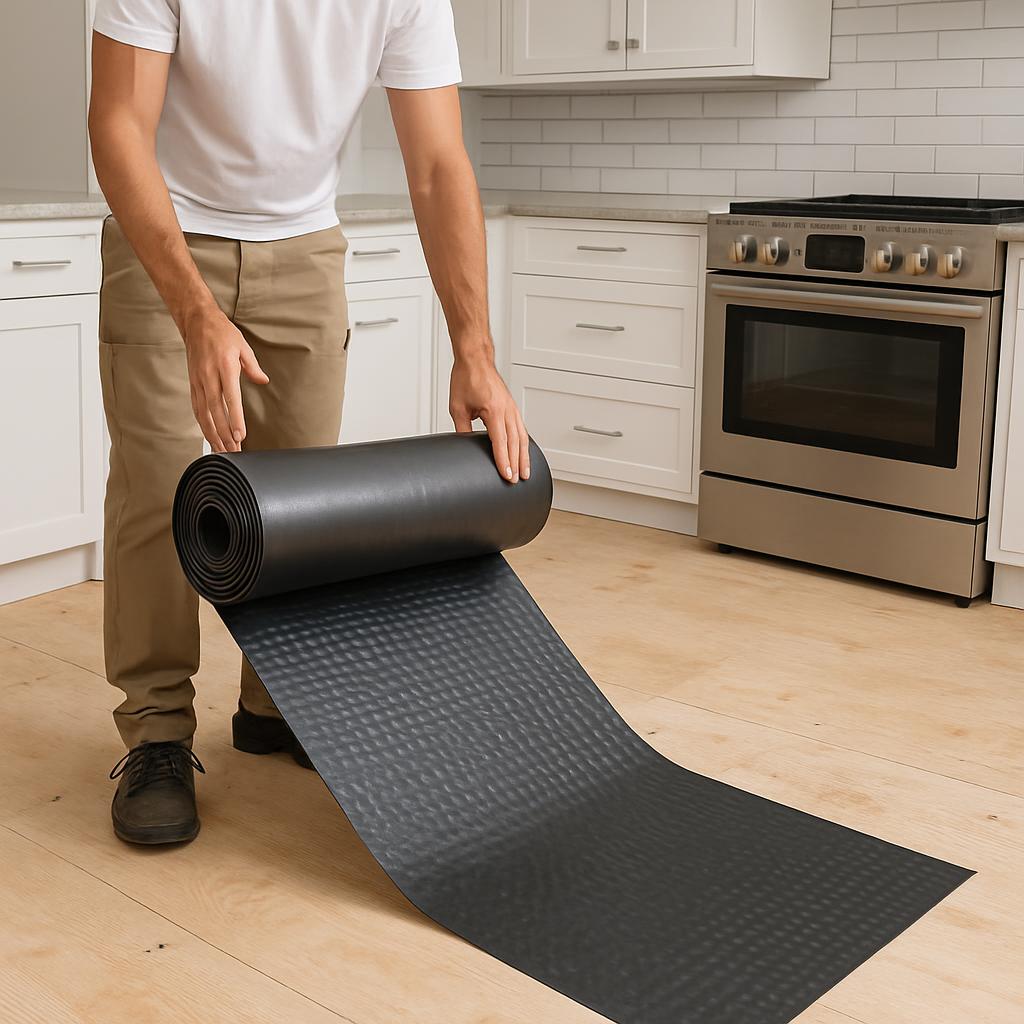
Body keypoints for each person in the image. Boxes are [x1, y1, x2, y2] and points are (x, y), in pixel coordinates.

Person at [89, 0, 530, 846]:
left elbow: (438, 163)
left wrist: (475, 349)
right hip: (165, 237)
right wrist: (193, 311)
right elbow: (117, 125)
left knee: (296, 501)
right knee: (158, 494)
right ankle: (155, 736)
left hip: (305, 250)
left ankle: (273, 705)